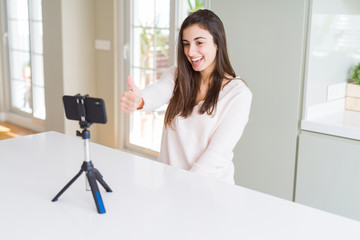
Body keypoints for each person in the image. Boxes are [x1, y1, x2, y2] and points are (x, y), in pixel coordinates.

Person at [120, 9, 252, 184]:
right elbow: (159, 91)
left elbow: (217, 153)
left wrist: (185, 185)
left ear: (217, 43)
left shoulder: (238, 94)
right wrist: (140, 100)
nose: (190, 52)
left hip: (211, 190)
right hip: (171, 186)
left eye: (199, 43)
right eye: (186, 43)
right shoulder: (177, 75)